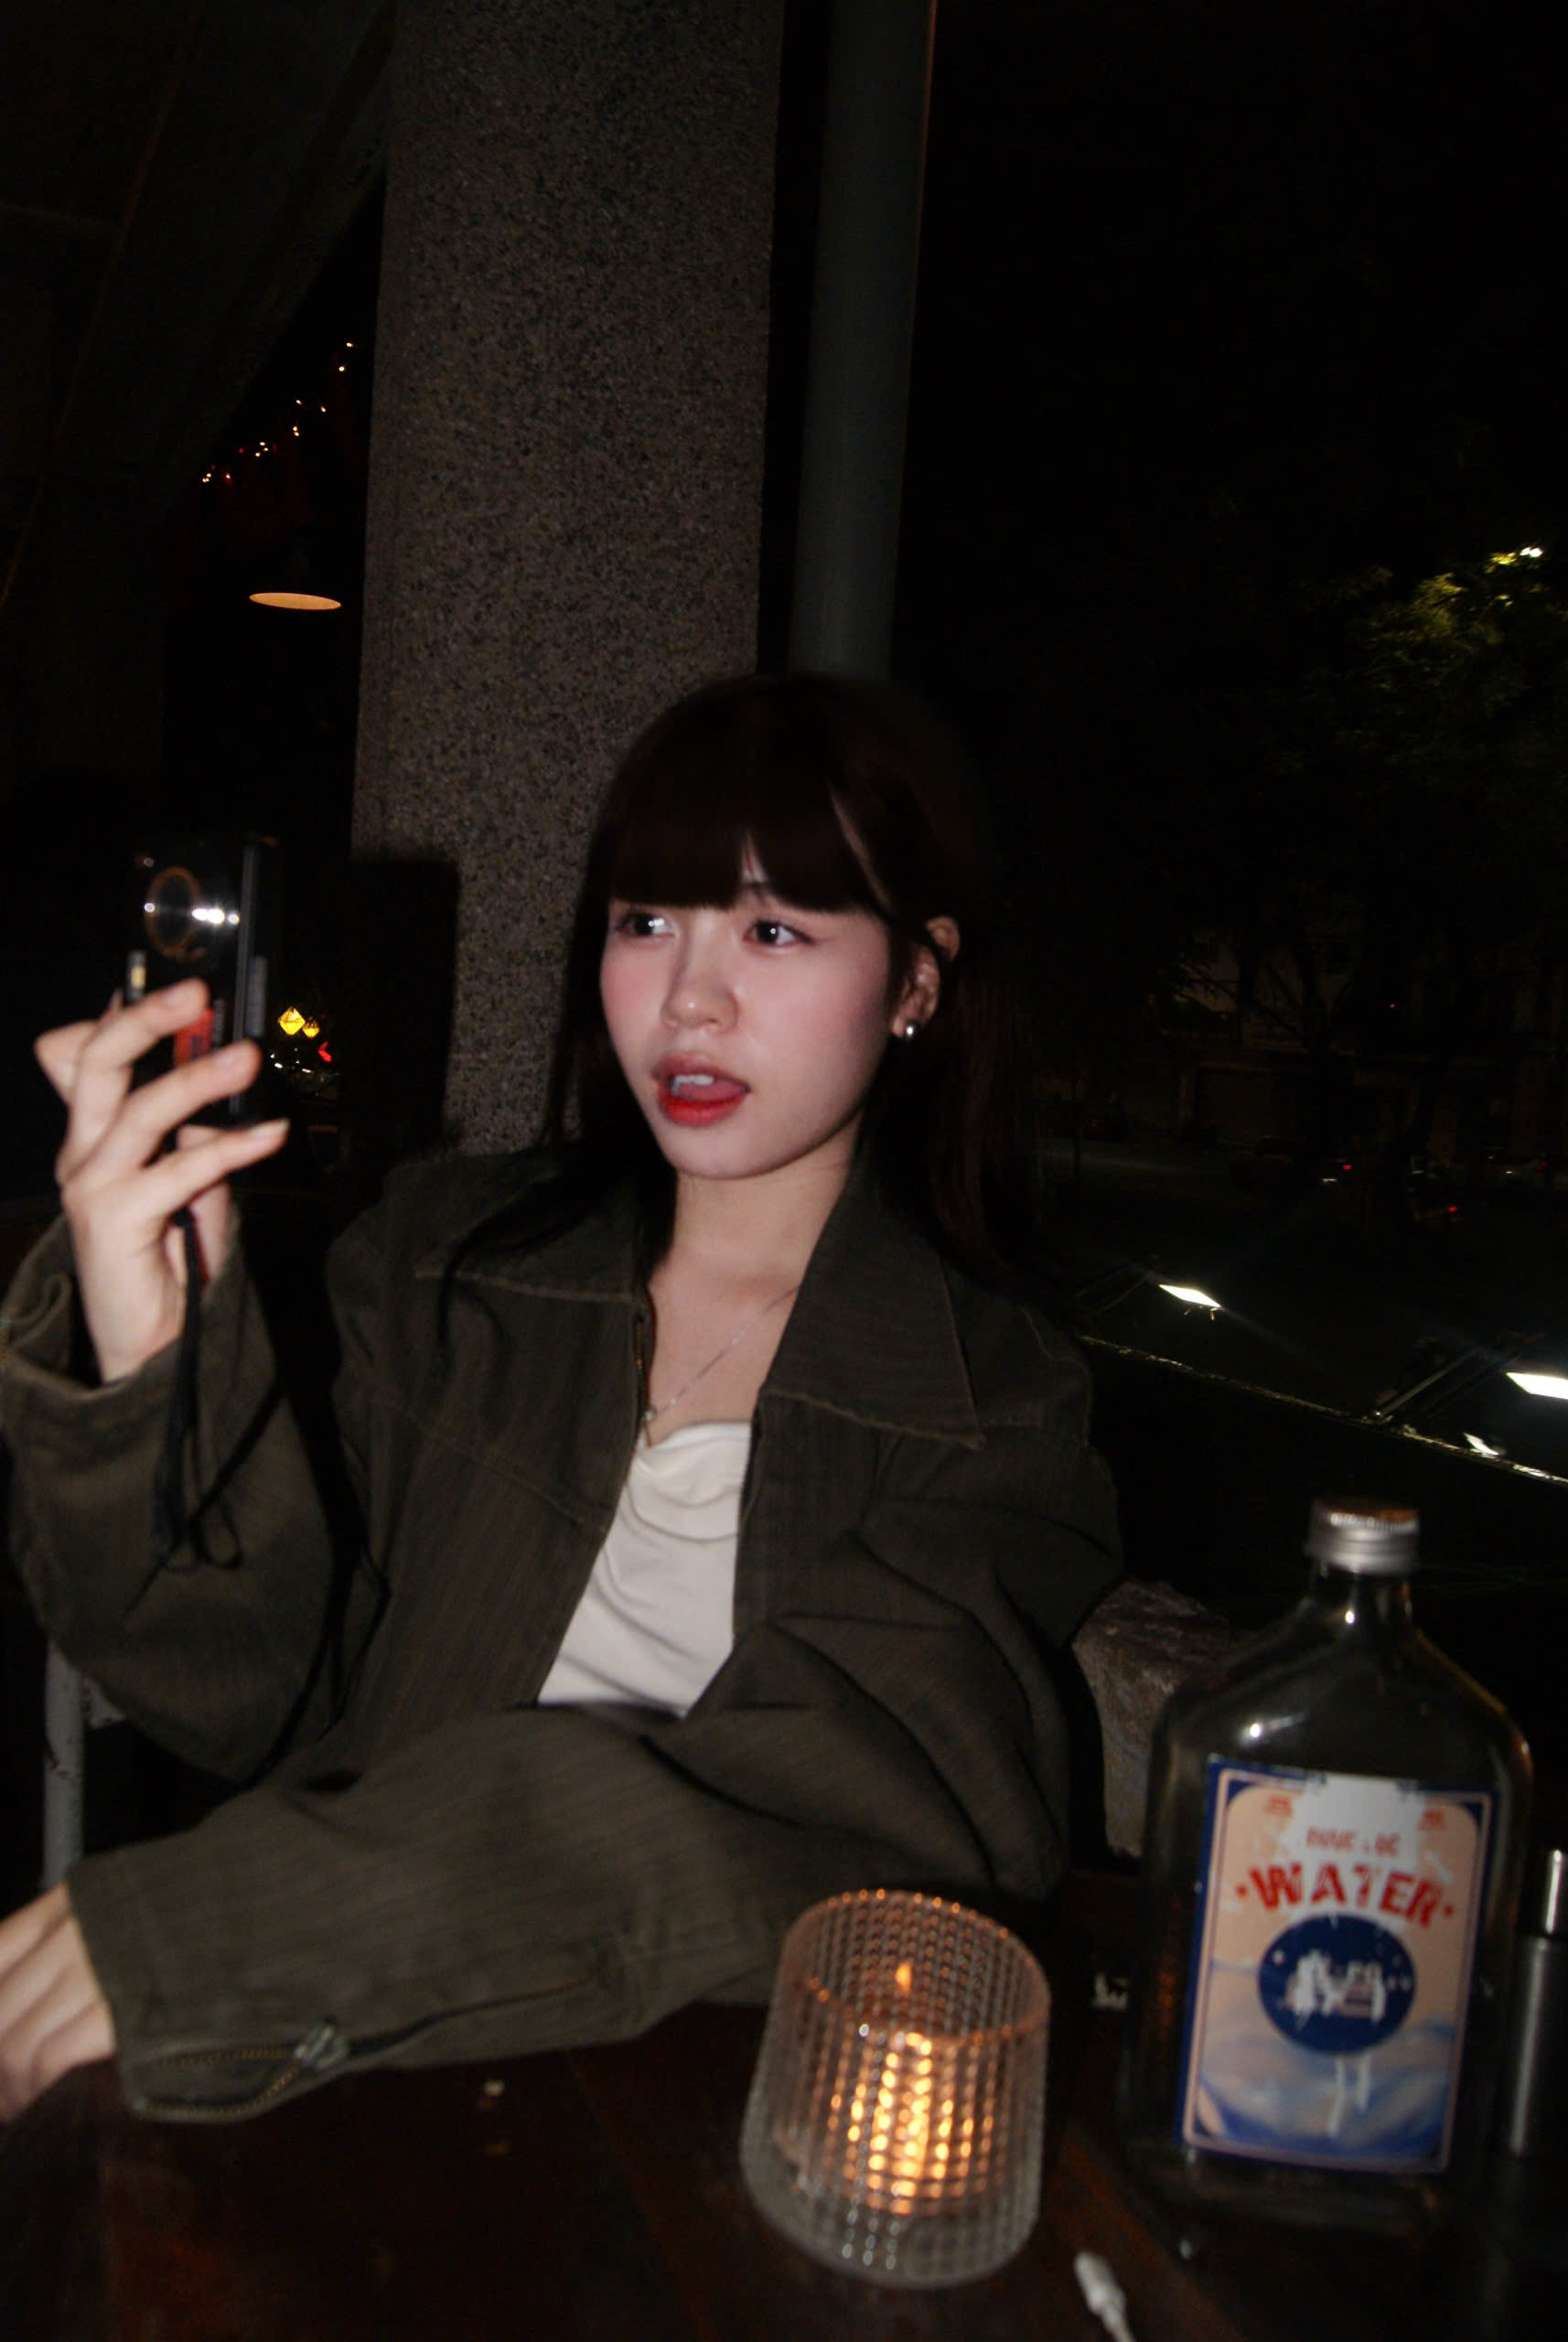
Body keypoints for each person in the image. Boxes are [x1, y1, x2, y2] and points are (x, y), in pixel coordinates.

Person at [0, 672, 1120, 2122]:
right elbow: (241, 1694)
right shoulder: (440, 1266)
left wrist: (266, 1920)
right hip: (350, 2068)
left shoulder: (993, 1397)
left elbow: (857, 1806)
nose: (689, 1000)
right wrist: (154, 1347)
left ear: (915, 981)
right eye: (645, 923)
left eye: (774, 929)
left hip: (705, 2112)